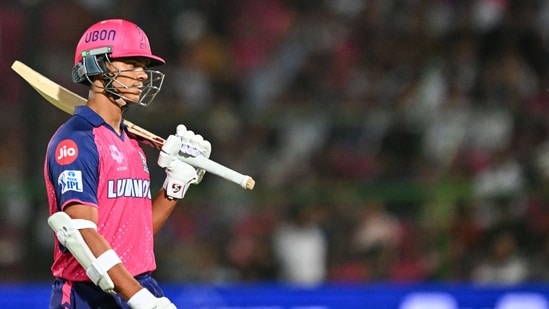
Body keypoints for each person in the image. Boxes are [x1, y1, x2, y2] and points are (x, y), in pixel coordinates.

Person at [44, 19, 211, 309]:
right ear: (96, 66)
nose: (142, 75)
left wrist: (175, 185)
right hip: (89, 294)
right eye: (131, 64)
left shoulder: (131, 143)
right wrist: (139, 297)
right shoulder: (75, 141)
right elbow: (82, 234)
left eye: (143, 66)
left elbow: (138, 231)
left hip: (137, 283)